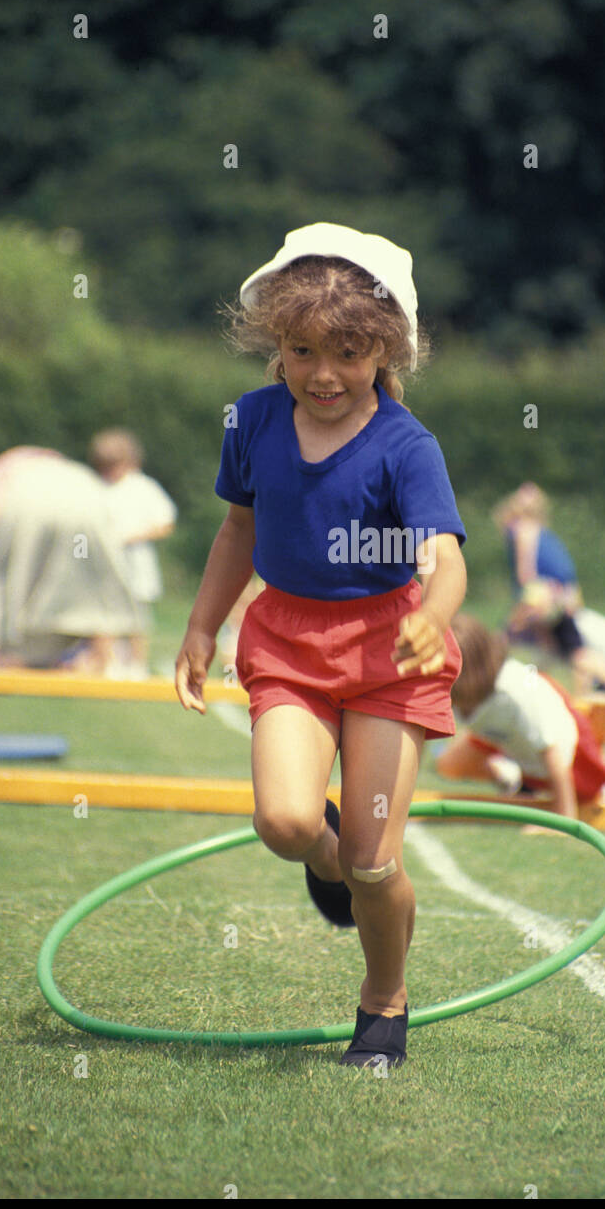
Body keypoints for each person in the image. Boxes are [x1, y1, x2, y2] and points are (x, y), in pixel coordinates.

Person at [174, 223, 467, 1069]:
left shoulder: (406, 445)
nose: (323, 373)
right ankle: (325, 853)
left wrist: (434, 615)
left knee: (375, 865)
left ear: (385, 349)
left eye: (347, 352)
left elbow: (445, 558)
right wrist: (201, 627)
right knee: (285, 822)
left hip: (389, 657)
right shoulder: (253, 419)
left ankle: (383, 1003)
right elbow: (238, 529)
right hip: (287, 645)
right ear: (277, 343)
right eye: (302, 351)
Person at [0, 446, 139, 670]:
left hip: (29, 504)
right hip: (86, 501)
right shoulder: (60, 465)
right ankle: (102, 660)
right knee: (89, 579)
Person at [439, 613, 605, 820]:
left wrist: (563, 815)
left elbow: (553, 749)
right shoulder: (471, 693)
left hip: (568, 751)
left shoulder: (516, 695)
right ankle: (511, 776)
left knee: (587, 789)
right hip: (508, 735)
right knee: (449, 764)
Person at [493, 483, 605, 708]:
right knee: (557, 651)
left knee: (506, 640)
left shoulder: (524, 528)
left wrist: (524, 608)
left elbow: (526, 574)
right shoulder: (541, 530)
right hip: (562, 597)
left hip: (546, 599)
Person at [88, 429, 177, 677]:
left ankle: (137, 666)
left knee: (137, 616)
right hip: (104, 564)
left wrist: (130, 537)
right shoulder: (97, 487)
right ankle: (108, 664)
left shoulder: (143, 487)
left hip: (136, 563)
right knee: (103, 614)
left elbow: (165, 523)